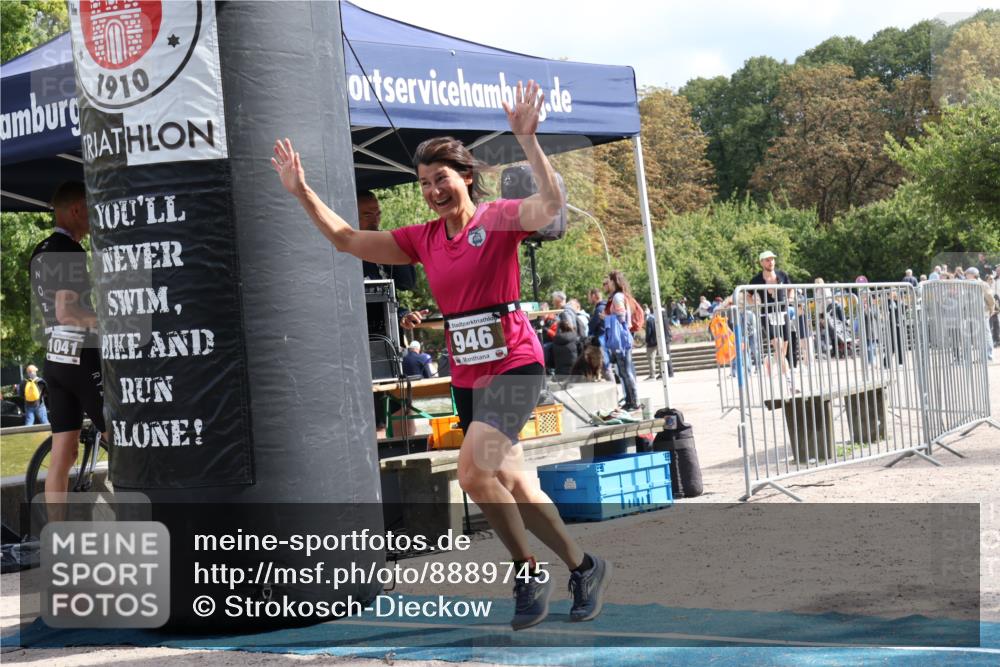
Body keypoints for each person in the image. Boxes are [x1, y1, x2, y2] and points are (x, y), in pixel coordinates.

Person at [271, 80, 610, 631]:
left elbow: (550, 205)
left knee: (475, 475)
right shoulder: (423, 239)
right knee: (518, 484)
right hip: (467, 372)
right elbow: (348, 241)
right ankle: (584, 566)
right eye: (425, 182)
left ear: (466, 178)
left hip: (515, 363)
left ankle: (526, 570)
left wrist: (528, 140)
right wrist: (301, 191)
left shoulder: (497, 218)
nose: (432, 190)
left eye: (442, 179)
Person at [28, 181, 107, 508]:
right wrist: (108, 325)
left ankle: (57, 538)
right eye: (89, 211)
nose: (92, 219)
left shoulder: (41, 249)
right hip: (80, 356)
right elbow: (66, 311)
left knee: (64, 452)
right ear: (76, 210)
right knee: (118, 435)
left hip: (55, 358)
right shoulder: (70, 250)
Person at [747, 250, 796, 393]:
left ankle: (770, 361)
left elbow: (791, 289)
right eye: (767, 260)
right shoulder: (756, 280)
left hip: (783, 313)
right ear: (762, 262)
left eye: (772, 260)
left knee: (783, 351)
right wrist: (754, 303)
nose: (771, 262)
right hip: (767, 316)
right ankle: (790, 383)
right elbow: (746, 294)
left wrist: (790, 300)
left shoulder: (782, 275)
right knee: (779, 347)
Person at [602, 270, 640, 411]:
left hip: (621, 340)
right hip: (623, 338)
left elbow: (621, 317)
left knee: (626, 371)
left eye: (609, 281)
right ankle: (630, 401)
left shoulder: (618, 297)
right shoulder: (621, 296)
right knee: (624, 371)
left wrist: (605, 318)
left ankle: (634, 402)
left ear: (614, 281)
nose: (607, 284)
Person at [644, 305, 673, 379]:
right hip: (659, 341)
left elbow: (649, 332)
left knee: (651, 359)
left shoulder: (650, 319)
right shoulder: (661, 318)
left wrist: (646, 340)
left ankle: (652, 374)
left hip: (652, 342)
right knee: (662, 356)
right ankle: (664, 372)